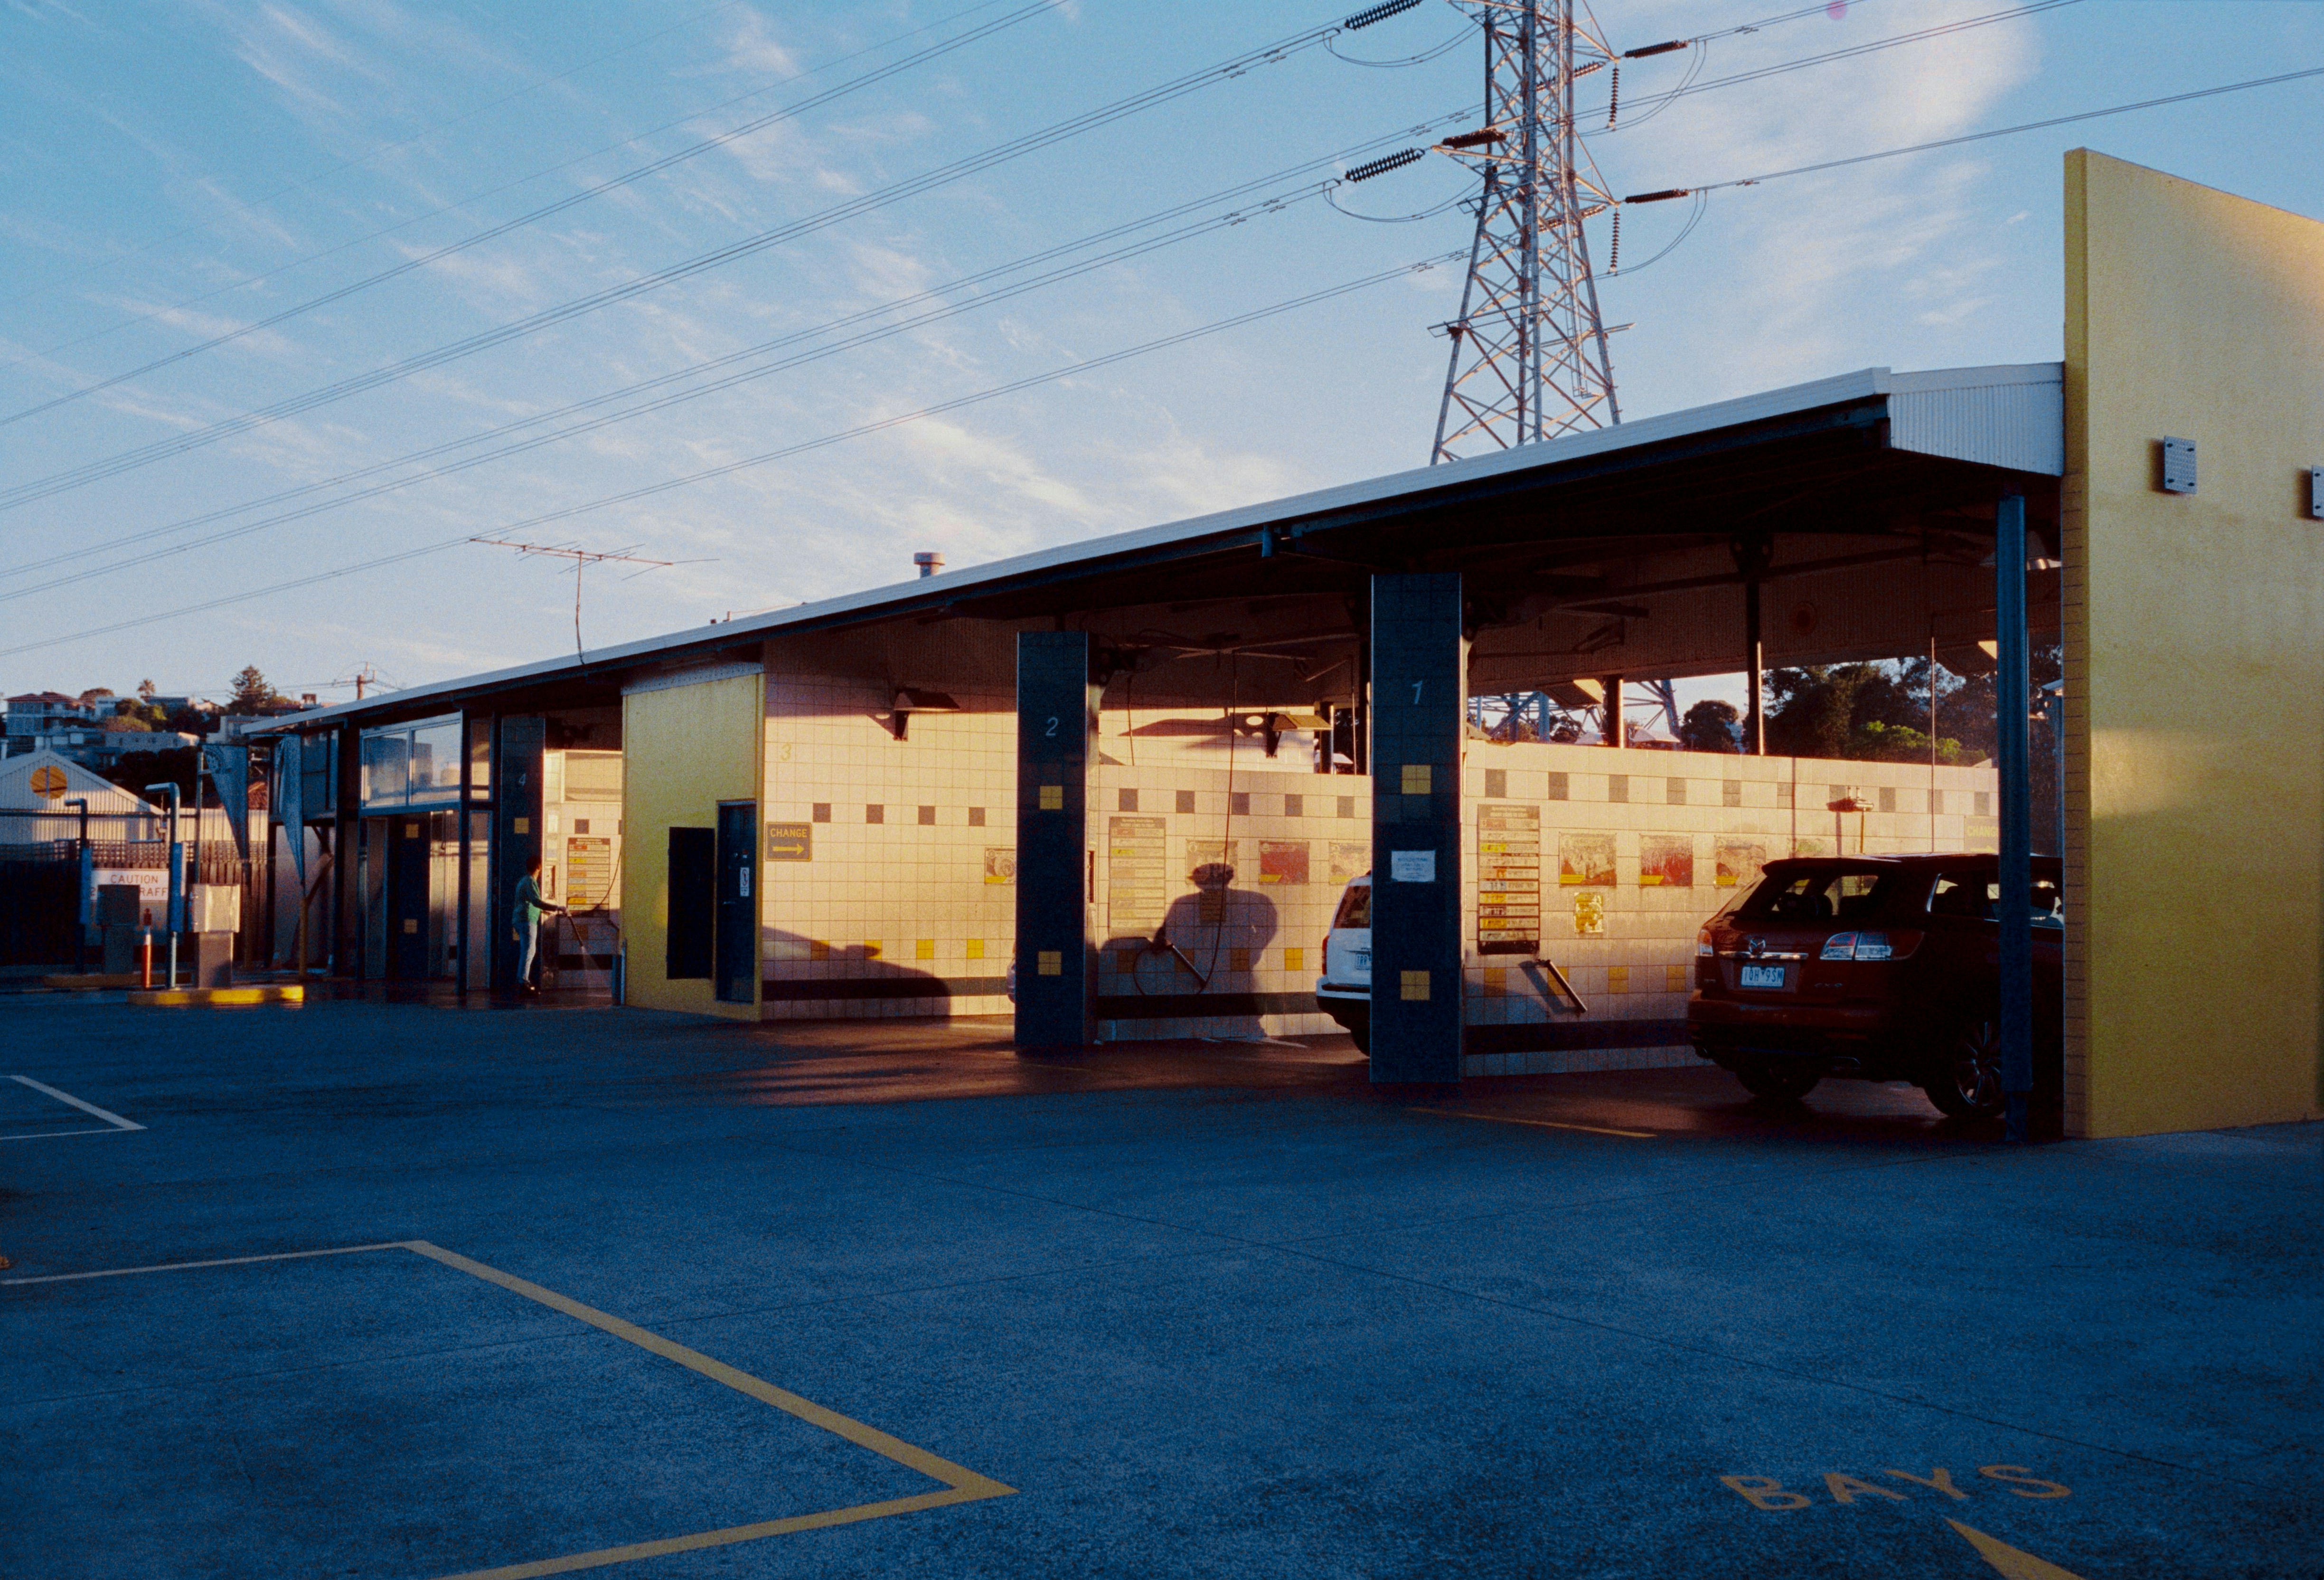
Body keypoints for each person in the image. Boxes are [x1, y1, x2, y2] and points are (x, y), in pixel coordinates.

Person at [511, 855, 567, 993]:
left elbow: (528, 902)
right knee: (529, 950)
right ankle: (523, 982)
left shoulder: (523, 881)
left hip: (520, 920)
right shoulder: (530, 882)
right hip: (527, 920)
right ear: (538, 867)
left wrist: (543, 912)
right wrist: (557, 907)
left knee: (527, 950)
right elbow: (535, 901)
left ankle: (522, 980)